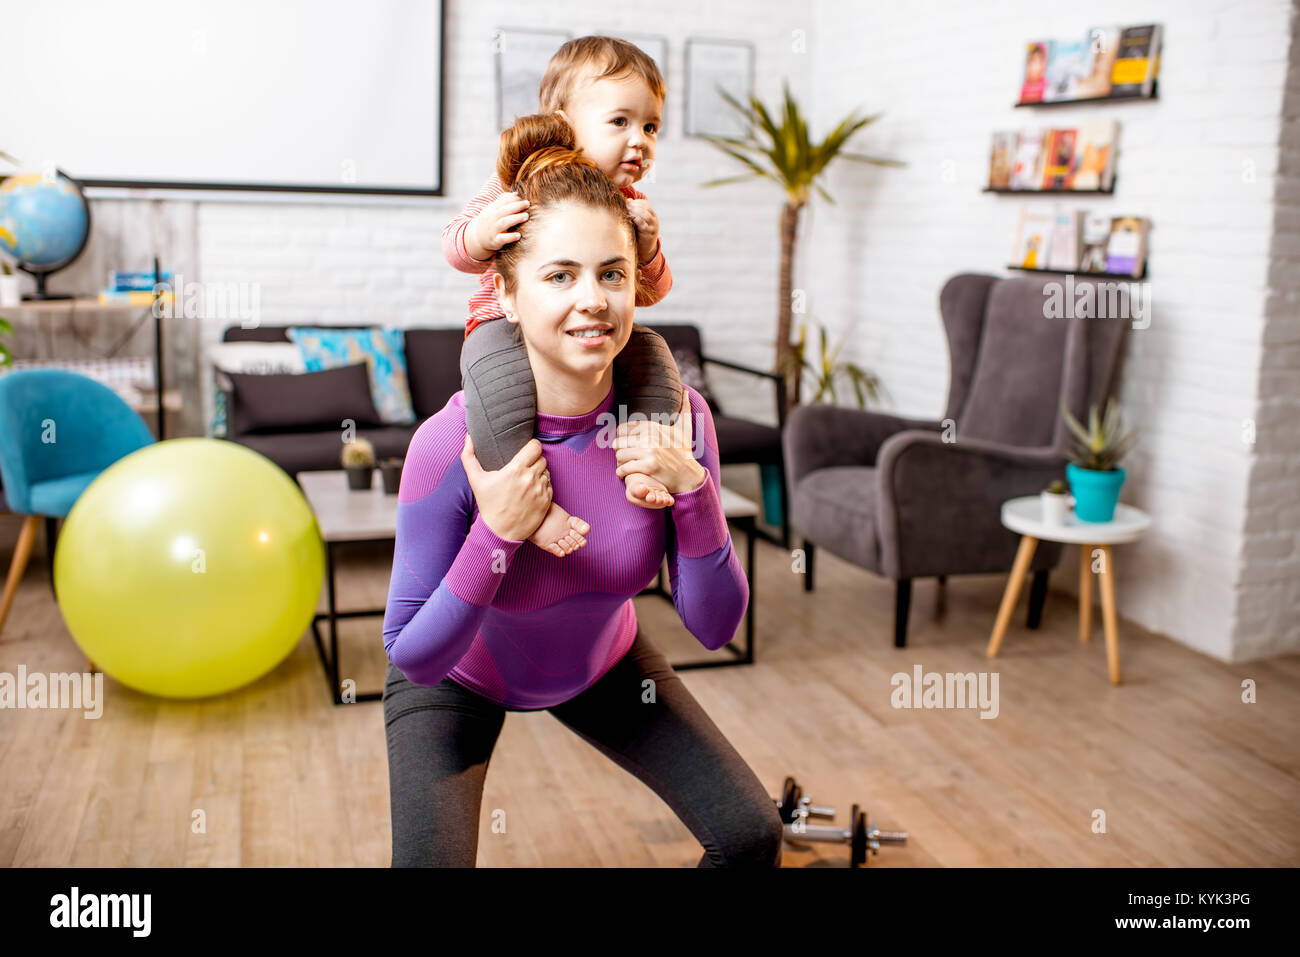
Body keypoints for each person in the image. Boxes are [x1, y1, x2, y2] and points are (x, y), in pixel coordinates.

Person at [383, 112, 784, 868]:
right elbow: (416, 657)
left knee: (751, 835)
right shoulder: (452, 441)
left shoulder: (678, 420)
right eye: (560, 275)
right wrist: (496, 533)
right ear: (504, 293)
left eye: (612, 273)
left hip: (603, 667)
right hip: (460, 677)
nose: (592, 299)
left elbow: (715, 625)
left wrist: (696, 495)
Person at [444, 35, 683, 559]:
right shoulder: (520, 179)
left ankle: (646, 453)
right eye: (620, 122)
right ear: (564, 119)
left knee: (656, 354)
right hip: (502, 327)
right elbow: (455, 249)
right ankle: (526, 506)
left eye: (651, 126)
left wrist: (647, 250)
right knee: (493, 381)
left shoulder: (632, 205)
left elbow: (657, 292)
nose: (639, 140)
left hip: (590, 334)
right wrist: (483, 233)